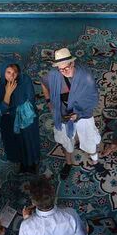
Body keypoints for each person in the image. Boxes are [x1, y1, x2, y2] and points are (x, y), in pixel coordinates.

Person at [42, 48, 104, 180]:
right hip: (63, 114)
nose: (64, 71)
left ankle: (95, 162)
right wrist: (49, 101)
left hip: (82, 113)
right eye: (60, 69)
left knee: (89, 138)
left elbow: (92, 99)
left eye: (67, 67)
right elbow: (43, 83)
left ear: (72, 63)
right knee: (66, 141)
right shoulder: (54, 75)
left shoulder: (85, 77)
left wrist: (79, 114)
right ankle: (68, 163)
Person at [0, 62, 40, 174]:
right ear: (3, 72)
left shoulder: (25, 80)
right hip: (9, 120)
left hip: (25, 118)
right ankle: (21, 162)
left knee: (28, 140)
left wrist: (15, 111)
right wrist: (8, 93)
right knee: (14, 142)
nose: (12, 76)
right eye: (8, 72)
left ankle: (32, 163)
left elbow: (31, 101)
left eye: (15, 73)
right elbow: (0, 111)